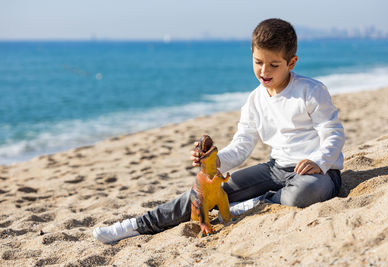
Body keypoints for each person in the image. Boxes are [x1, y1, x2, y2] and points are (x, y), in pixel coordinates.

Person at [93, 18, 345, 244]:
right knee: (205, 191)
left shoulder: (311, 91)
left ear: (291, 62)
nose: (264, 71)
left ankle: (257, 202)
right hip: (275, 168)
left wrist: (318, 160)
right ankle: (138, 225)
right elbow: (243, 144)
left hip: (319, 173)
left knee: (302, 193)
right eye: (258, 62)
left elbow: (333, 133)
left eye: (274, 65)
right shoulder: (255, 100)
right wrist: (213, 162)